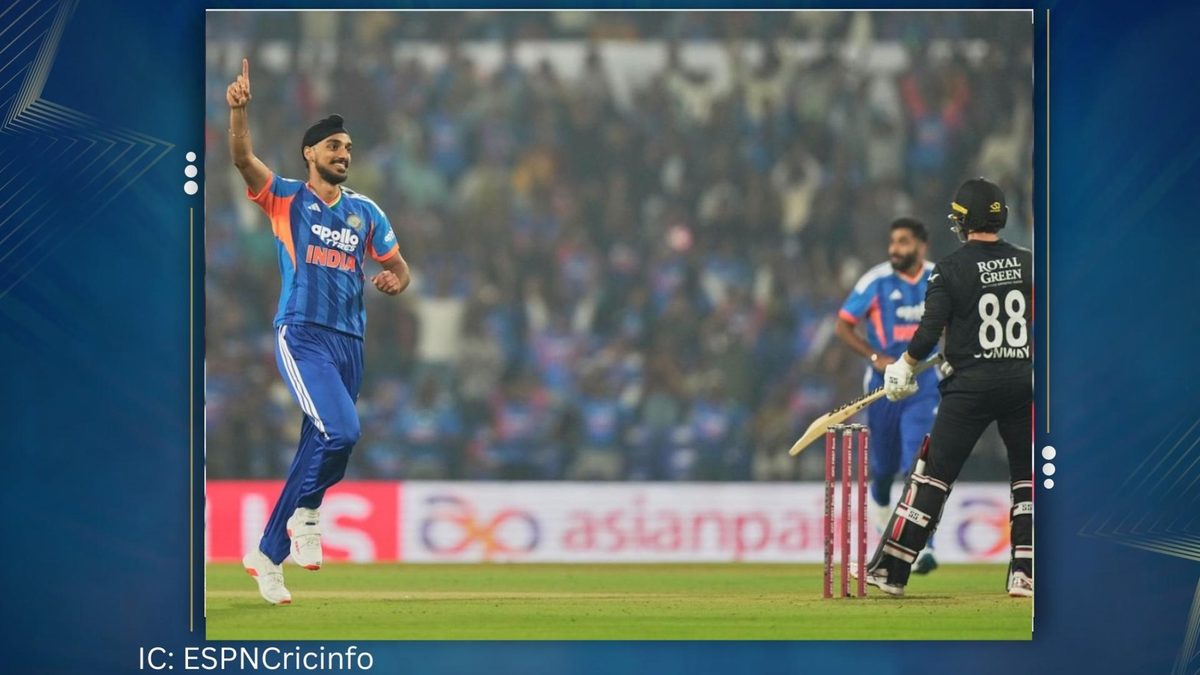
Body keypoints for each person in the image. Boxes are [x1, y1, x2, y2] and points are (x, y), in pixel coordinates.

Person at [225, 59, 412, 604]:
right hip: (303, 333)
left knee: (315, 449)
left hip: (350, 343)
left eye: (348, 148)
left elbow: (399, 266)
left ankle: (267, 554)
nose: (344, 154)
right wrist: (239, 113)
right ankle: (307, 512)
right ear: (310, 153)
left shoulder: (366, 212)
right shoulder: (286, 197)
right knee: (343, 433)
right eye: (334, 146)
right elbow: (242, 159)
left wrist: (395, 279)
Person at [864, 178, 1032, 598]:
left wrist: (904, 365)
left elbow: (928, 331)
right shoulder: (1028, 262)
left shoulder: (950, 268)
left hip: (969, 387)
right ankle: (1025, 574)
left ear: (965, 221)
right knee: (1025, 478)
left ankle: (892, 572)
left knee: (932, 477)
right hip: (1020, 383)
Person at [834, 218, 940, 574]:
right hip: (883, 388)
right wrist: (875, 357)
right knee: (884, 469)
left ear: (922, 245)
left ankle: (922, 544)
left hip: (924, 384)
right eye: (892, 242)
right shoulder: (875, 280)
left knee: (917, 463)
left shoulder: (939, 278)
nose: (895, 249)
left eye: (903, 242)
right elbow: (843, 325)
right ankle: (882, 514)